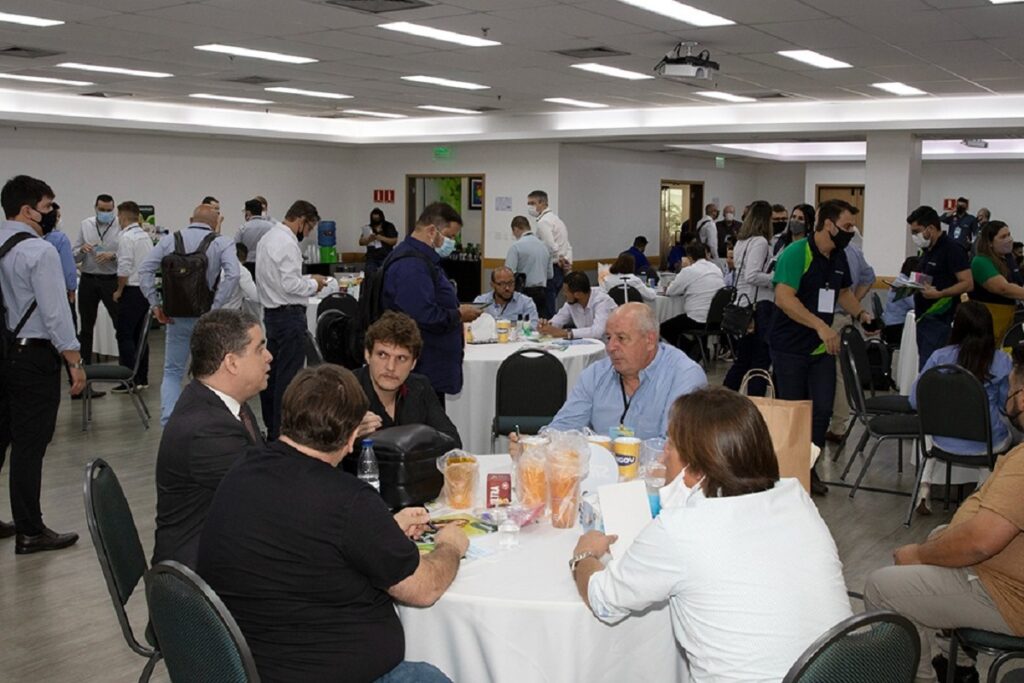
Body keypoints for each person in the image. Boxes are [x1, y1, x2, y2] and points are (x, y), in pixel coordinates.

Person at [197, 364, 466, 683]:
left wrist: (383, 529)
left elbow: (306, 540)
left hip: (242, 662)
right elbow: (424, 588)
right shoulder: (349, 500)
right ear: (353, 437)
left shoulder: (242, 470)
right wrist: (450, 546)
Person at [572, 387, 851, 682]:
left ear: (694, 470)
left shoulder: (681, 529)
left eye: (670, 444)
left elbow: (603, 600)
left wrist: (585, 554)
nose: (664, 454)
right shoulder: (796, 498)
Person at [863, 342, 1024, 683]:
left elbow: (982, 542)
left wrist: (918, 553)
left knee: (883, 585)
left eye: (1010, 386)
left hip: (1010, 596)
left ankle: (918, 677)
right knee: (939, 540)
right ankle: (955, 665)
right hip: (1006, 576)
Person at [0, 175, 86, 553]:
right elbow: (55, 313)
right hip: (32, 356)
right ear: (27, 210)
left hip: (2, 351)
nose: (52, 215)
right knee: (29, 446)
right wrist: (74, 361)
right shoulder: (40, 252)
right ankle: (30, 530)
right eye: (48, 207)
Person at [769, 199, 875, 495]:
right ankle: (787, 474)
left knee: (822, 411)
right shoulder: (796, 253)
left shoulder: (839, 256)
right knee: (795, 413)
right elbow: (784, 298)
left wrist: (861, 314)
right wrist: (819, 325)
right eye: (846, 226)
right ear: (828, 225)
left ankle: (808, 468)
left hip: (821, 349)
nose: (851, 232)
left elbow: (843, 293)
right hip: (790, 346)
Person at [152, 309, 270, 569]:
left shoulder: (218, 402)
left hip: (218, 548)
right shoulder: (206, 430)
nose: (269, 357)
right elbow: (269, 495)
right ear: (232, 362)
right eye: (260, 350)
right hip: (199, 578)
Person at [140, 203, 240, 426]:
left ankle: (169, 422)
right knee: (208, 373)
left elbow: (145, 268)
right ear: (216, 223)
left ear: (191, 219)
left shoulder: (169, 240)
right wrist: (215, 308)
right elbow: (233, 275)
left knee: (172, 372)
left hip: (175, 316)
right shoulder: (222, 242)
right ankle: (205, 420)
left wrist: (155, 305)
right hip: (206, 318)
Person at [909, 302, 1011, 516]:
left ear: (956, 326)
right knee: (1003, 436)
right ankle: (979, 495)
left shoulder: (939, 357)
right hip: (986, 442)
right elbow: (1006, 407)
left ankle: (925, 485)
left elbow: (915, 400)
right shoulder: (1001, 361)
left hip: (942, 441)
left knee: (930, 429)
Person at [545, 303, 706, 438]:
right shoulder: (596, 374)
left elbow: (676, 448)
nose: (610, 347)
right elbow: (563, 428)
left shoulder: (685, 376)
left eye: (621, 338)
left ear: (650, 340)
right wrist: (539, 445)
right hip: (602, 470)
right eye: (609, 338)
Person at [383, 202, 481, 401]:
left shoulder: (423, 260)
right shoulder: (411, 266)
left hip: (429, 368)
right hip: (420, 368)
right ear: (431, 231)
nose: (452, 242)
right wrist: (458, 315)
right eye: (450, 236)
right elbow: (422, 315)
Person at [256, 200, 336, 440]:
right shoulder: (288, 242)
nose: (309, 233)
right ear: (301, 221)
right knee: (288, 379)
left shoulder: (267, 238)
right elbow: (291, 285)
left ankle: (272, 428)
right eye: (309, 228)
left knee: (271, 374)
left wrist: (306, 277)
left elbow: (278, 278)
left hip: (271, 314)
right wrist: (314, 283)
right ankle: (284, 433)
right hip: (290, 316)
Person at [354, 311, 461, 446]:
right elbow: (322, 452)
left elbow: (452, 442)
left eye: (401, 358)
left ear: (413, 364)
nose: (391, 367)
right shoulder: (344, 391)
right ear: (367, 355)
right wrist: (347, 436)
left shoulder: (420, 387)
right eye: (382, 355)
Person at [825, 226, 877, 443]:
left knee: (834, 374)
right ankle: (839, 423)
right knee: (841, 373)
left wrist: (852, 302)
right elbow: (870, 277)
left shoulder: (835, 254)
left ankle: (835, 425)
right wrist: (856, 303)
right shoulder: (856, 251)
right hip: (844, 316)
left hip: (833, 318)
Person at [908, 205, 973, 370]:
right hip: (923, 317)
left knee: (933, 370)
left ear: (930, 228)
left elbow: (967, 283)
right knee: (924, 366)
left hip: (940, 318)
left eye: (917, 231)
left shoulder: (952, 249)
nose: (914, 236)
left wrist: (940, 293)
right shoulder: (928, 249)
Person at [723, 200, 776, 395]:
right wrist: (774, 278)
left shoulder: (741, 242)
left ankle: (724, 398)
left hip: (742, 304)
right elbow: (752, 275)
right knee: (759, 362)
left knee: (743, 360)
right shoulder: (760, 242)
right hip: (757, 307)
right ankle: (756, 404)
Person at [74, 193, 120, 369]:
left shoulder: (119, 226)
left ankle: (125, 366)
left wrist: (113, 256)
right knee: (86, 326)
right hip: (88, 278)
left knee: (119, 323)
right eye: (102, 210)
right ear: (95, 208)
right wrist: (82, 250)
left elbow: (125, 255)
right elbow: (74, 254)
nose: (105, 213)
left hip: (110, 279)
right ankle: (85, 367)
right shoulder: (86, 224)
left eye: (109, 210)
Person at [659, 241, 726, 361]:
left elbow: (671, 291)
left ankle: (688, 349)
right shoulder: (716, 269)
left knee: (664, 328)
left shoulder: (689, 271)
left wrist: (683, 269)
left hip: (697, 319)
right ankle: (699, 348)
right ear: (705, 254)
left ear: (689, 257)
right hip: (717, 319)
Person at [112, 201, 153, 392]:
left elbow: (124, 267)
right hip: (144, 290)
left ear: (123, 216)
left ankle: (128, 378)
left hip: (131, 290)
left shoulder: (126, 237)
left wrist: (119, 290)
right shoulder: (145, 236)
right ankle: (142, 377)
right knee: (140, 336)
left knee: (125, 335)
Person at [969, 220, 1024, 341]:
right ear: (989, 242)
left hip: (1009, 321)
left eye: (1009, 234)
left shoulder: (1008, 259)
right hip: (988, 322)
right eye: (1003, 237)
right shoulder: (981, 261)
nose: (1009, 239)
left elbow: (1017, 283)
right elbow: (1002, 288)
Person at [527, 190, 572, 318]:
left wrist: (558, 258)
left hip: (551, 269)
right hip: (560, 269)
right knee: (550, 304)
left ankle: (549, 332)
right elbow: (567, 245)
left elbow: (550, 246)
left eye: (532, 203)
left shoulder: (543, 222)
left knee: (547, 308)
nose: (530, 207)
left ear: (541, 203)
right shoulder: (556, 220)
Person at [538, 271, 616, 341]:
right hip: (585, 345)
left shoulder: (602, 301)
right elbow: (559, 319)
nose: (563, 294)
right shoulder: (571, 302)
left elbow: (597, 332)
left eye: (566, 291)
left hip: (608, 348)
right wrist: (547, 327)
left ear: (578, 294)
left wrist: (566, 333)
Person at [504, 215, 551, 316]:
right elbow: (550, 274)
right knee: (539, 324)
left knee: (523, 324)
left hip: (523, 292)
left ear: (516, 229)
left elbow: (507, 273)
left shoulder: (516, 247)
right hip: (542, 292)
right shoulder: (544, 246)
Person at [473, 266, 538, 324]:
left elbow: (533, 327)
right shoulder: (481, 301)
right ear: (492, 285)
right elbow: (473, 325)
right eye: (502, 284)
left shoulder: (526, 302)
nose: (507, 288)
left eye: (510, 283)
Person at [880, 257, 919, 347]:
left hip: (890, 324)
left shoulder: (899, 280)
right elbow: (915, 304)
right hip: (896, 327)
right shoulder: (904, 285)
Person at [235, 198, 275, 271]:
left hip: (247, 265)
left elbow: (236, 246)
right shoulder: (271, 227)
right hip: (265, 264)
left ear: (248, 212)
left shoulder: (243, 228)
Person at [224, 242, 261, 320]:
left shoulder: (217, 265)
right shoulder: (242, 271)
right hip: (231, 314)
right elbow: (254, 295)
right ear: (245, 257)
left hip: (211, 313)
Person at [359, 207, 398, 276]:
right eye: (374, 219)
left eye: (377, 218)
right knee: (370, 275)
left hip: (385, 256)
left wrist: (381, 238)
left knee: (386, 276)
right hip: (372, 257)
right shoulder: (368, 228)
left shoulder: (389, 226)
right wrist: (368, 239)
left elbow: (394, 241)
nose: (375, 220)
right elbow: (361, 242)